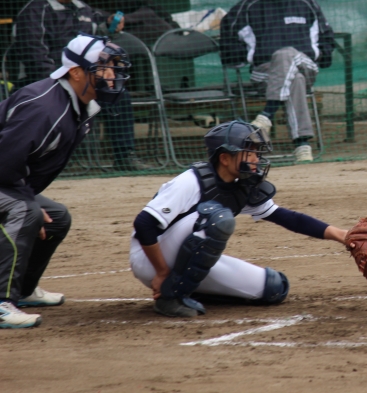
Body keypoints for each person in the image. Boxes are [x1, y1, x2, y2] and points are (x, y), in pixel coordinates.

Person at [129, 120, 350, 318]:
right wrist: (161, 271)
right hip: (150, 258)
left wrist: (341, 235)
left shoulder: (241, 186)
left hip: (185, 259)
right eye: (249, 152)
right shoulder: (190, 181)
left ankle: (187, 289)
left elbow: (288, 218)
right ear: (225, 158)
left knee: (274, 287)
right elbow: (144, 224)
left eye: (256, 153)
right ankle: (170, 296)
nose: (256, 159)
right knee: (218, 218)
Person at [0, 33, 130, 328]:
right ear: (76, 72)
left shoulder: (81, 105)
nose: (112, 75)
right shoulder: (45, 109)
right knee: (25, 211)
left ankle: (23, 290)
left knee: (56, 218)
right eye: (104, 68)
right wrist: (27, 203)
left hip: (6, 178)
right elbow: (4, 165)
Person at [10, 0, 147, 171]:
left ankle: (124, 157)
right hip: (42, 84)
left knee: (116, 92)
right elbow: (35, 59)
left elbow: (100, 25)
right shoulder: (33, 13)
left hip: (80, 81)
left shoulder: (83, 9)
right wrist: (64, 83)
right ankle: (49, 160)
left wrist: (111, 22)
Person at [220, 0, 335, 163]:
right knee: (294, 79)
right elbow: (227, 52)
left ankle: (267, 115)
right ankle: (302, 145)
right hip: (265, 74)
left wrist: (319, 54)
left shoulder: (306, 3)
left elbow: (327, 41)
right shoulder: (245, 9)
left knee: (287, 55)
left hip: (306, 66)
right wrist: (249, 56)